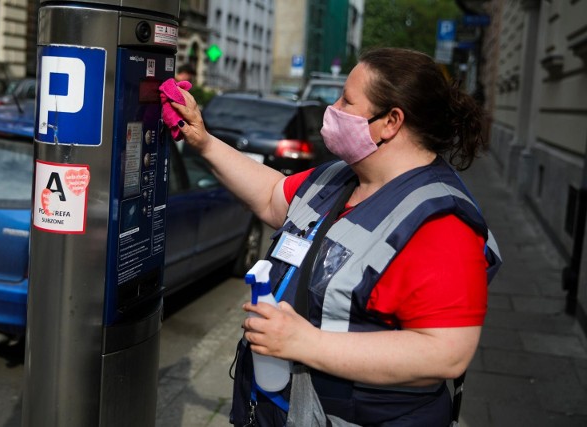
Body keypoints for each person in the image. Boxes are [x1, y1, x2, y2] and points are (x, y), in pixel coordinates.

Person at [166, 47, 502, 426]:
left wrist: (303, 343)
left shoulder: (440, 222)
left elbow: (444, 353)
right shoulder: (340, 177)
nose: (333, 108)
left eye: (346, 100)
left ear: (390, 121)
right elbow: (272, 197)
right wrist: (204, 142)